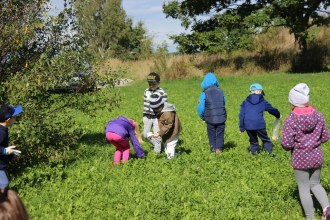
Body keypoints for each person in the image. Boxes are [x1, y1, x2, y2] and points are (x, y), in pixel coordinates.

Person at [281, 83, 330, 220]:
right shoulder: (319, 115)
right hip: (317, 156)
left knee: (304, 187)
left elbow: (286, 144)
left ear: (292, 102)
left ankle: (310, 217)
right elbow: (325, 137)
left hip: (300, 159)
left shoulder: (290, 119)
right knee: (316, 183)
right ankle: (327, 209)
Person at [239, 83, 280, 156]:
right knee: (265, 140)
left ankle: (255, 155)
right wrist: (278, 115)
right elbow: (271, 110)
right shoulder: (263, 101)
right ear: (260, 92)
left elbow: (241, 115)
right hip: (259, 124)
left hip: (248, 125)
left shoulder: (245, 102)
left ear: (250, 92)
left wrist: (242, 128)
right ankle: (269, 154)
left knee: (253, 141)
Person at [197, 72, 227, 153]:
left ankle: (213, 148)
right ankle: (219, 148)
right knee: (220, 134)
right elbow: (224, 102)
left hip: (209, 119)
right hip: (221, 117)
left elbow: (200, 107)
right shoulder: (221, 91)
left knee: (211, 134)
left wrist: (202, 117)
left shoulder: (204, 93)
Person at [149, 93, 181, 159]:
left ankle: (171, 161)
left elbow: (169, 124)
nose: (154, 110)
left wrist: (159, 133)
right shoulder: (160, 110)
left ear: (160, 106)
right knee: (166, 144)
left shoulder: (167, 113)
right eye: (153, 109)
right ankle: (173, 155)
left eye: (155, 109)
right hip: (166, 132)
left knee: (170, 145)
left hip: (173, 131)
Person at [143, 72, 168, 154]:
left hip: (158, 117)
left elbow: (165, 105)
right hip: (147, 116)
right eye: (149, 84)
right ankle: (157, 145)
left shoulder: (162, 92)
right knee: (145, 135)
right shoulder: (146, 91)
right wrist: (144, 115)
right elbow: (145, 104)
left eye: (154, 84)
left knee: (157, 135)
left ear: (158, 83)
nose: (151, 85)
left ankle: (157, 152)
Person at [0, 104, 23, 189]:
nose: (16, 117)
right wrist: (5, 151)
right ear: (8, 120)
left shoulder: (3, 129)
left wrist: (10, 154)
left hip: (2, 164)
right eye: (14, 116)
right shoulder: (1, 132)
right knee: (4, 185)